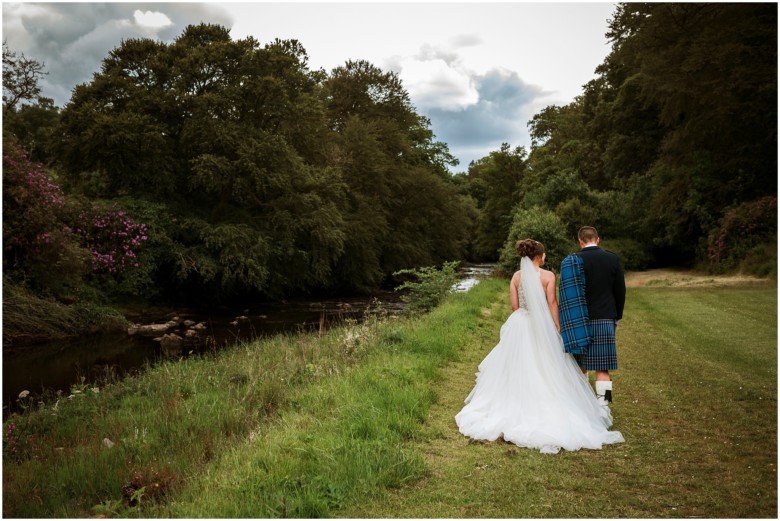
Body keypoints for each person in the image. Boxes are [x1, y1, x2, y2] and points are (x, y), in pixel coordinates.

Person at [455, 239, 624, 454]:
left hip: (521, 324)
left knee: (522, 365)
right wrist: (557, 327)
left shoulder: (517, 277)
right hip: (601, 320)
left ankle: (525, 400)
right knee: (600, 368)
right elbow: (552, 304)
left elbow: (515, 307)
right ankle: (603, 406)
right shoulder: (550, 276)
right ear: (540, 256)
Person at [572, 226, 626, 406]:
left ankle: (583, 406)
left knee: (581, 365)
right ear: (598, 239)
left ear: (580, 241)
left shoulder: (574, 260)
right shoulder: (612, 259)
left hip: (581, 320)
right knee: (603, 368)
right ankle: (604, 408)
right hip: (605, 318)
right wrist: (616, 315)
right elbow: (620, 291)